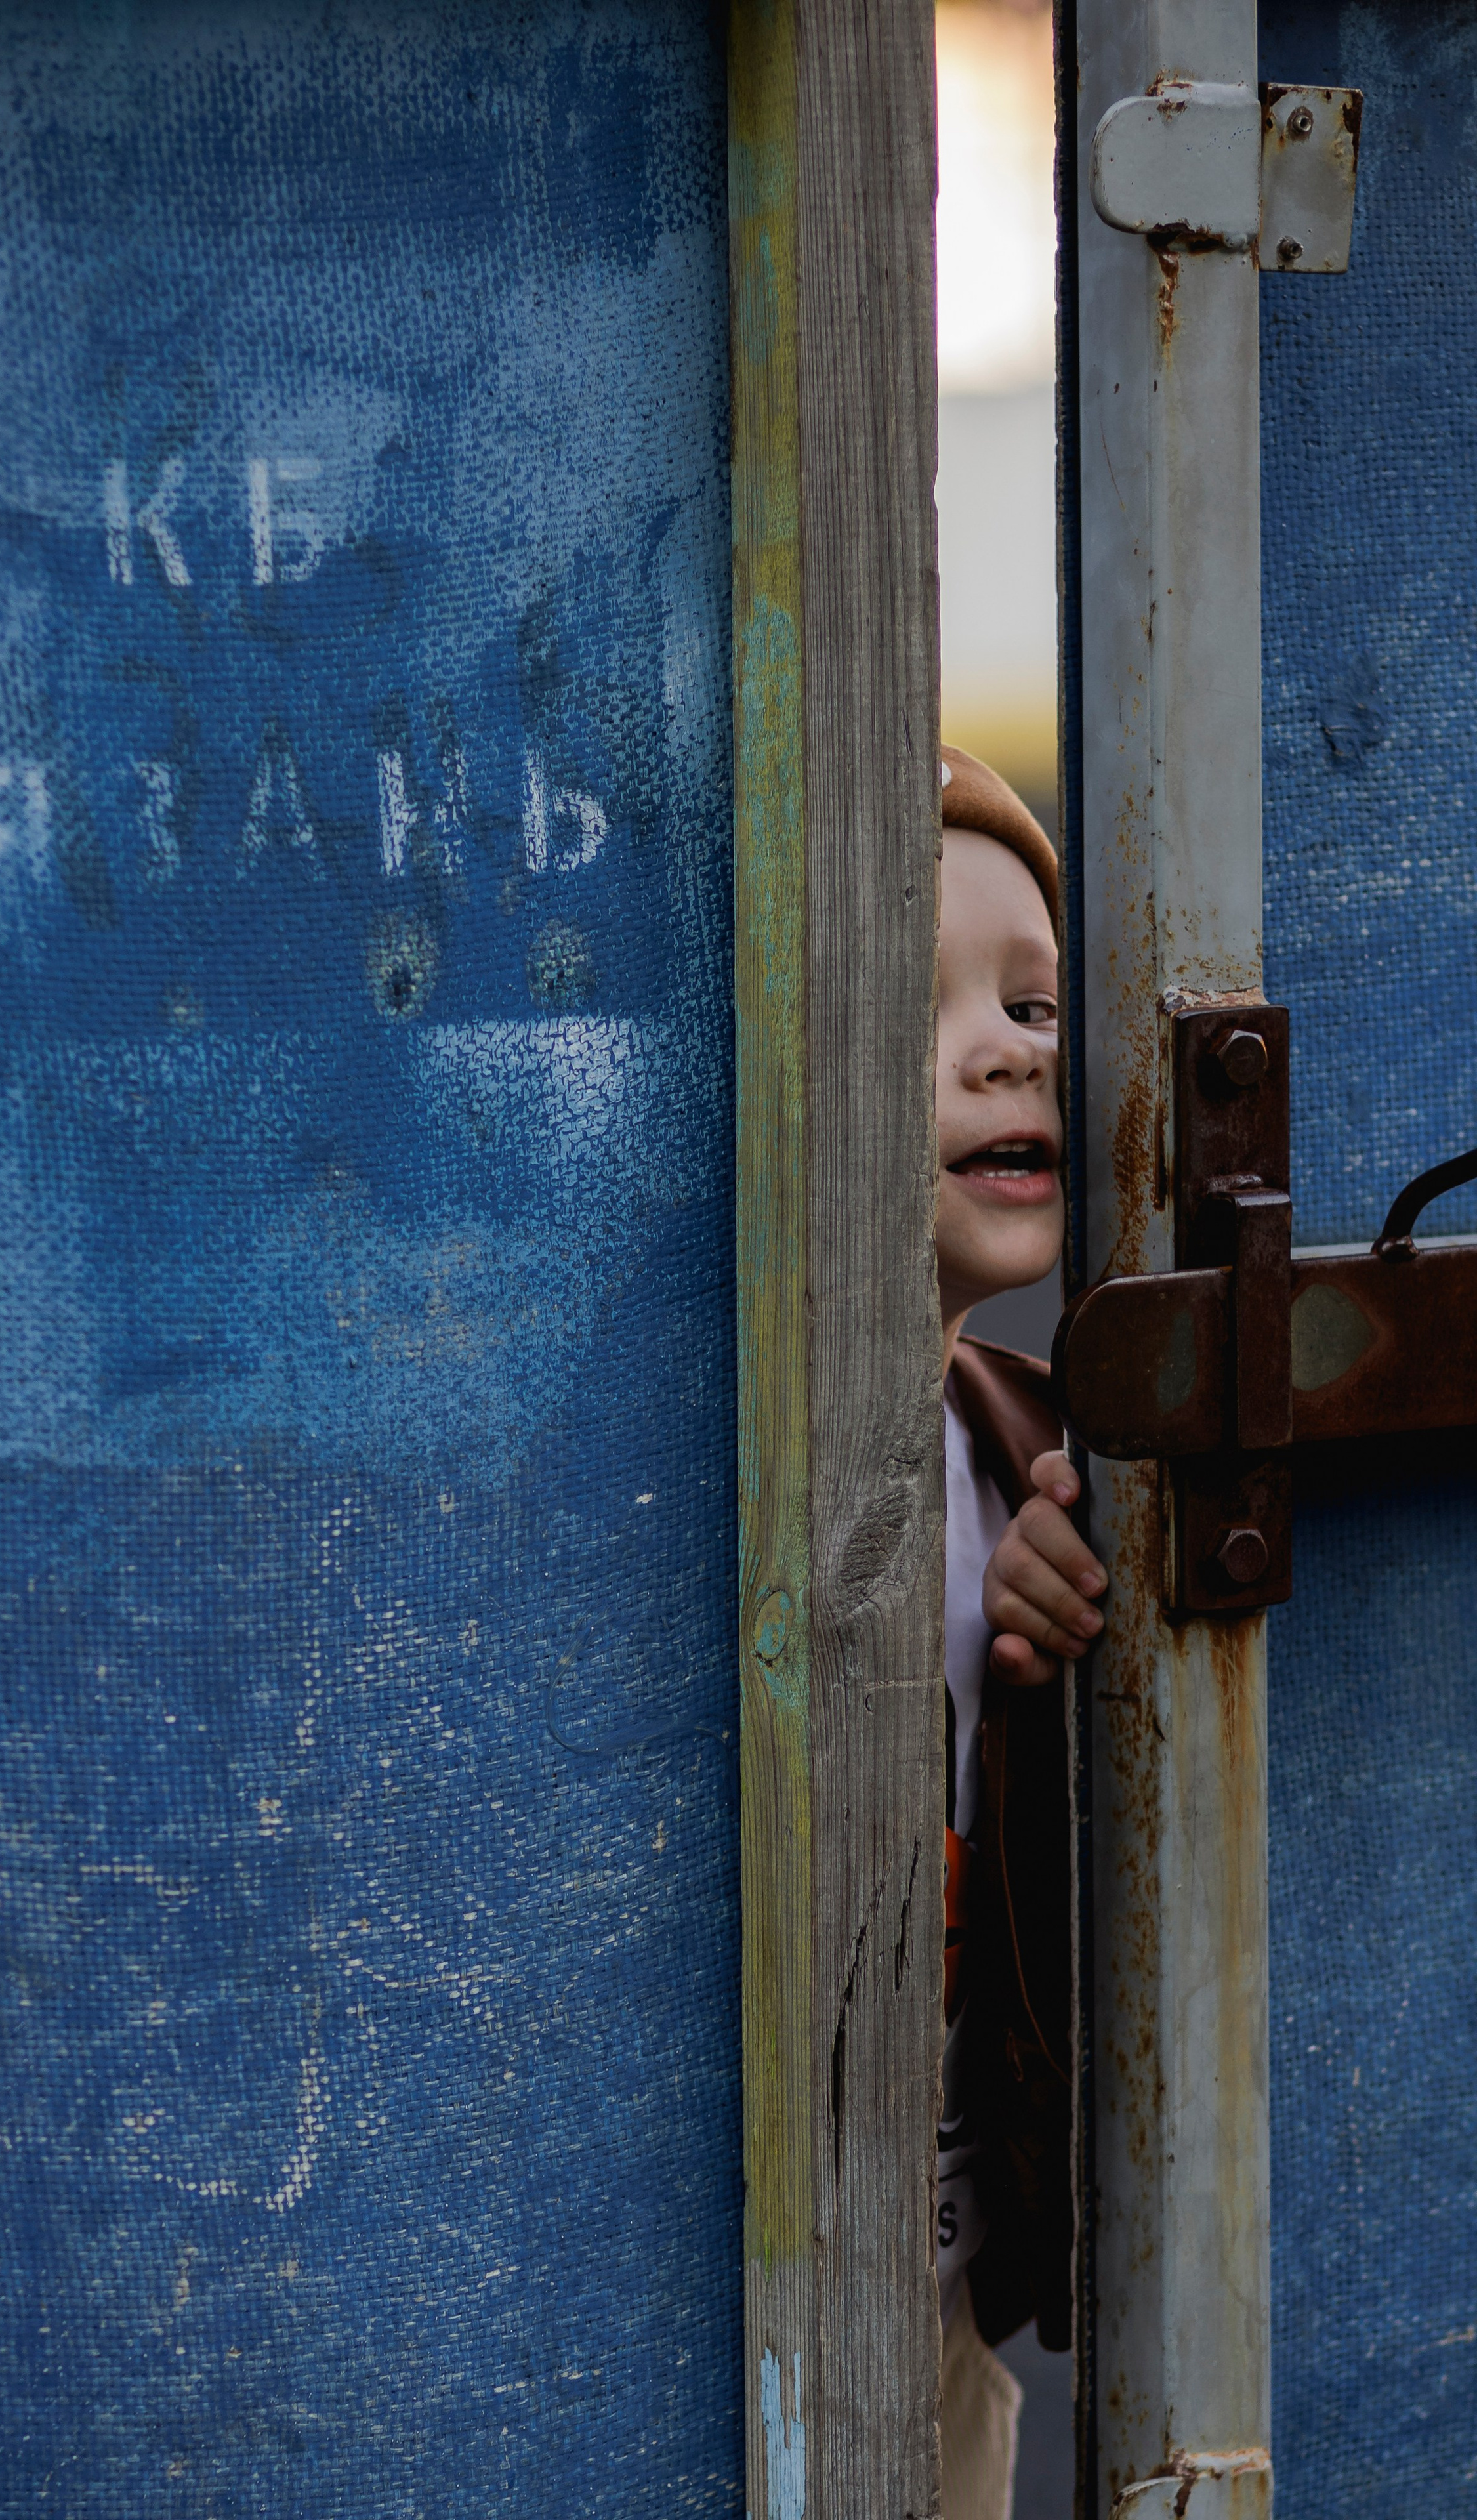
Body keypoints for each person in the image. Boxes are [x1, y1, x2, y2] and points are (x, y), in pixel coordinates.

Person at [931, 746, 1109, 2520]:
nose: (1014, 1046)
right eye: (933, 1006)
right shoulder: (683, 1482)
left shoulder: (1037, 1447)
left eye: (1037, 1000)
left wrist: (1051, 1659)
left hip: (941, 2306)